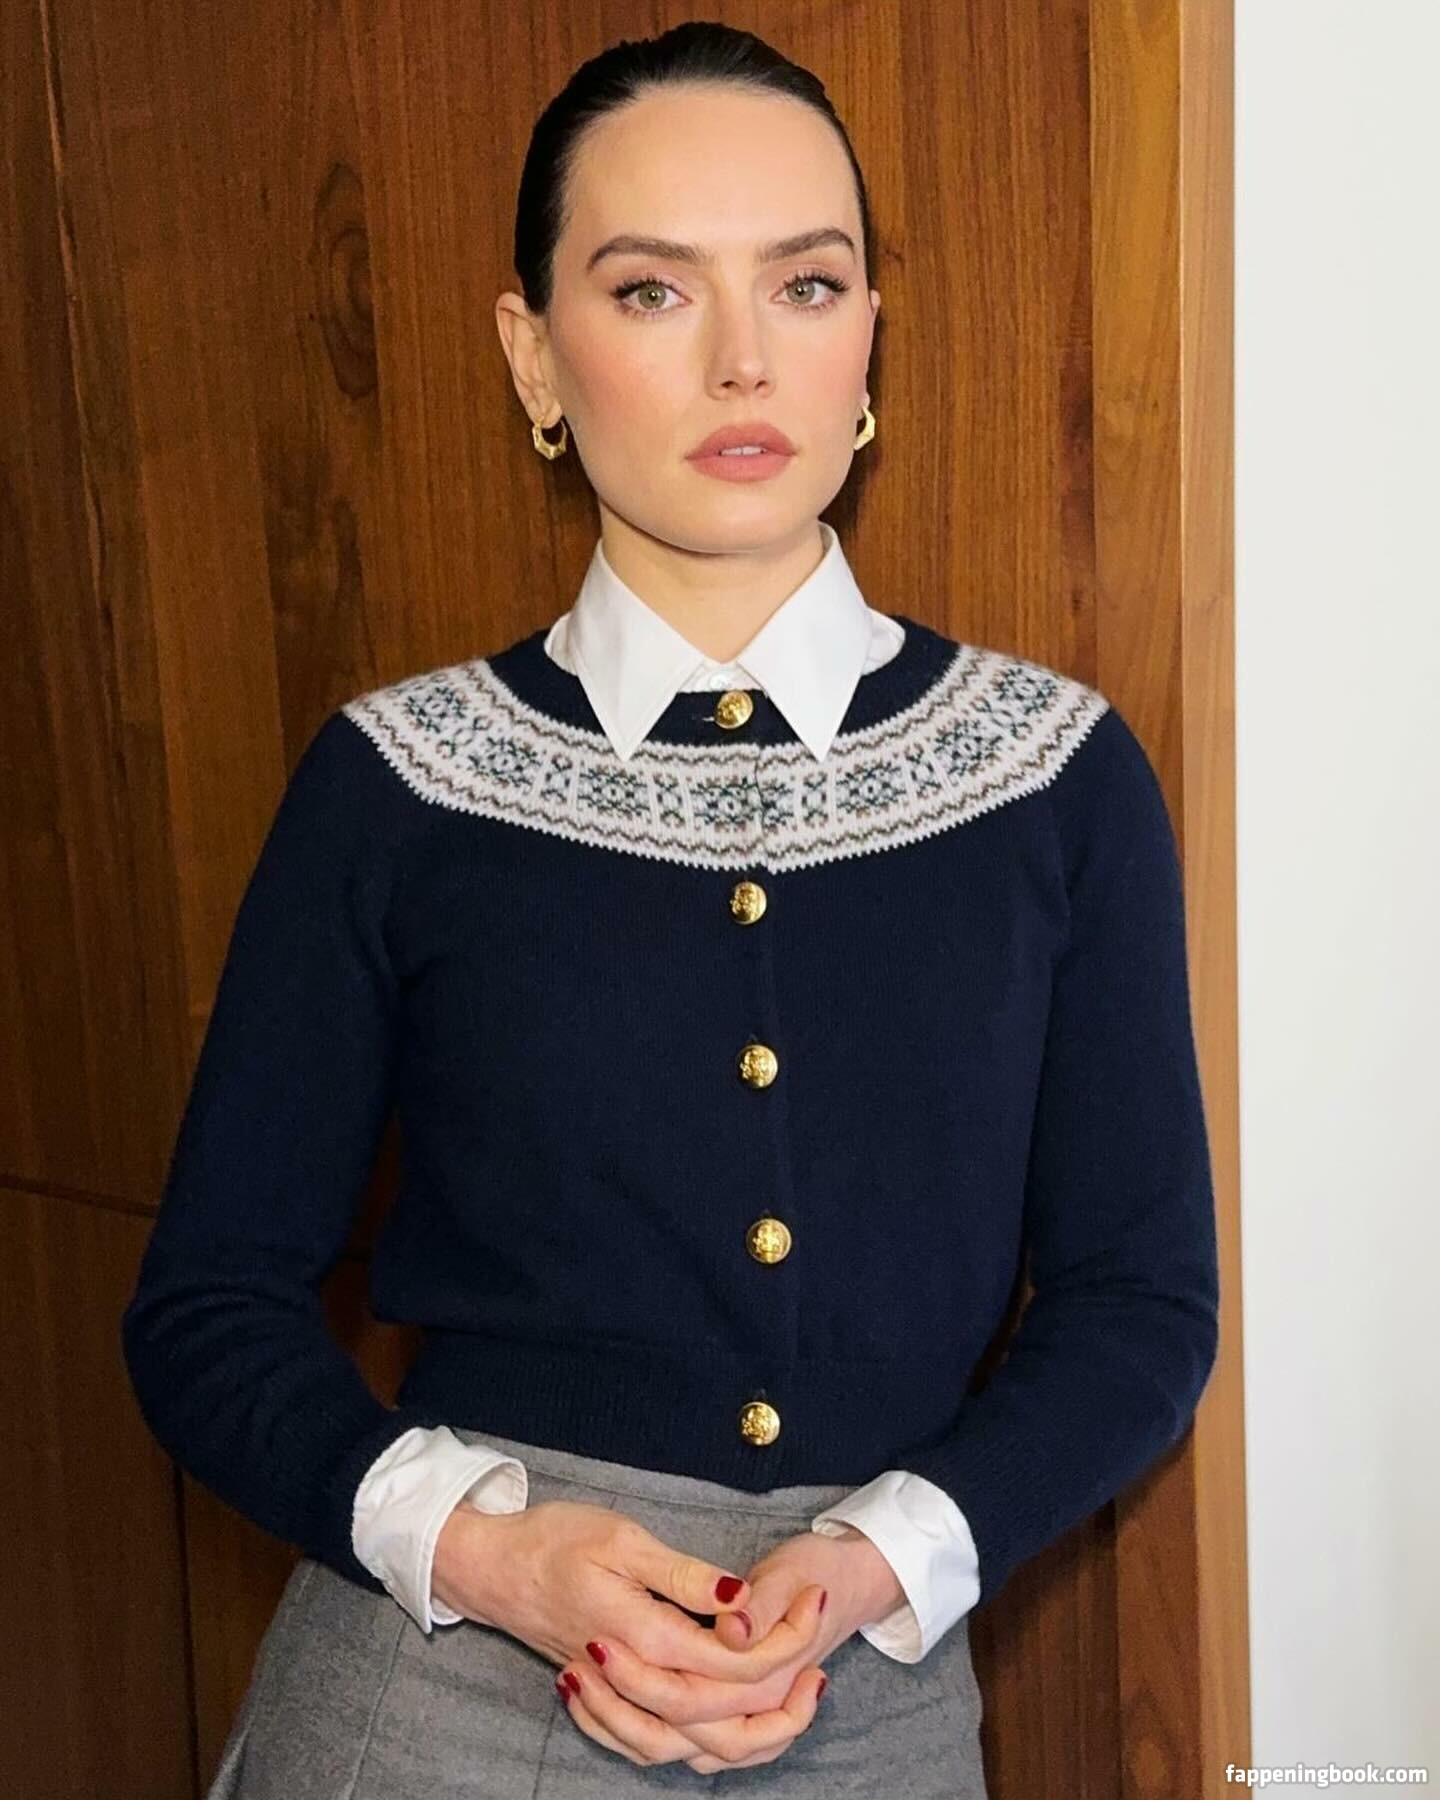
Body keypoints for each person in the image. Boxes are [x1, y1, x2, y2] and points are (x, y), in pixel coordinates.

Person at [121, 20, 1220, 1798]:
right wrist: (490, 1551)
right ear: (532, 354)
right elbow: (206, 1307)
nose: (741, 360)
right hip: (439, 1699)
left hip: (868, 1696)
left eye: (806, 284)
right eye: (651, 291)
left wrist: (883, 1558)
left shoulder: (1054, 776)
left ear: (868, 341)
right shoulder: (399, 781)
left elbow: (1139, 1304)